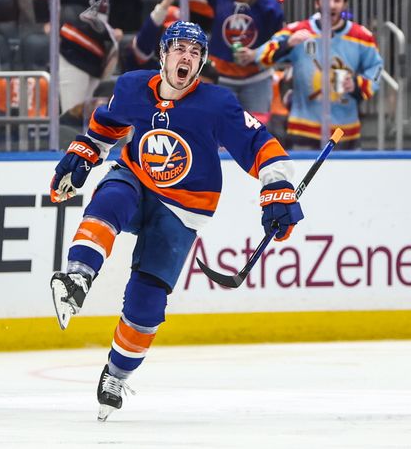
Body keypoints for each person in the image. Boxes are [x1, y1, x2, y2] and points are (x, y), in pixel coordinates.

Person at [48, 21, 303, 421]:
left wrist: (277, 190)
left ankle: (116, 374)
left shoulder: (217, 104)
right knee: (111, 198)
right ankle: (78, 276)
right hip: (137, 176)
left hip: (183, 206)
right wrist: (83, 154)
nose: (187, 57)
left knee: (146, 301)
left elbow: (260, 144)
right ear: (163, 54)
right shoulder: (134, 86)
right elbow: (108, 124)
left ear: (200, 63)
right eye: (179, 49)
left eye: (195, 52)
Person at [255, 0, 383, 150]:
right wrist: (287, 44)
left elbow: (376, 68)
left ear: (344, 4)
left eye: (337, 0)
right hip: (302, 130)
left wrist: (358, 84)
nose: (332, 5)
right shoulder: (298, 31)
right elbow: (261, 56)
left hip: (345, 131)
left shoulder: (361, 36)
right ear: (317, 2)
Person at [30, 0, 119, 126]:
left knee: (88, 121)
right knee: (72, 117)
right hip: (73, 56)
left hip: (96, 59)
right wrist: (48, 21)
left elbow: (97, 20)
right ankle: (68, 155)